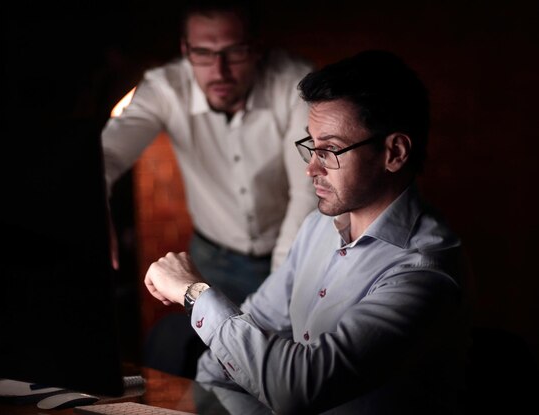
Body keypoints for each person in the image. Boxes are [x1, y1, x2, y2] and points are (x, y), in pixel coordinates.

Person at [144, 50, 470, 414]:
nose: (311, 168)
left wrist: (194, 292)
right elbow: (224, 362)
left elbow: (296, 388)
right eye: (311, 147)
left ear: (393, 152)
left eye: (330, 150)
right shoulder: (318, 227)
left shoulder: (423, 272)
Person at [101, 0, 317, 305]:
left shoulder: (296, 83)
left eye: (234, 51)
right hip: (213, 260)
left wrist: (281, 286)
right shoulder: (165, 87)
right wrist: (96, 201)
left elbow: (307, 190)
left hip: (296, 248)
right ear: (186, 49)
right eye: (202, 53)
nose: (219, 71)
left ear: (257, 47)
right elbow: (107, 153)